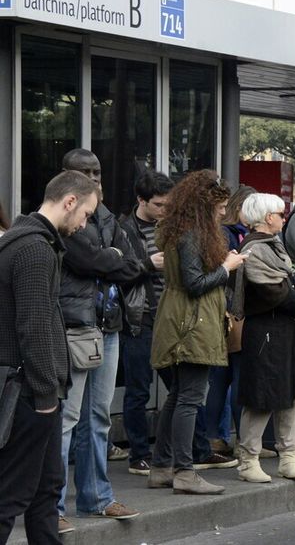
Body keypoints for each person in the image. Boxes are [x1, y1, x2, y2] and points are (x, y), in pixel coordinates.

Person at [0, 170, 98, 543]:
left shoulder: (26, 241)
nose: (84, 223)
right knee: (13, 495)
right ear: (69, 202)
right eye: (86, 214)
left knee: (45, 493)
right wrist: (45, 396)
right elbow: (35, 325)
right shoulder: (34, 249)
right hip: (29, 393)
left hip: (33, 391)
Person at [56, 149, 144, 527]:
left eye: (97, 172)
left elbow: (135, 262)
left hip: (107, 326)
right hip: (75, 326)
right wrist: (110, 257)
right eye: (85, 172)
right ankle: (52, 506)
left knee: (98, 418)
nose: (94, 178)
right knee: (66, 418)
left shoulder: (106, 216)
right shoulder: (63, 219)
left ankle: (96, 498)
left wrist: (108, 256)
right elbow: (86, 260)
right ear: (66, 178)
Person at [149, 170, 247, 495]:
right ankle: (184, 472)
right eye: (219, 206)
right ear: (205, 204)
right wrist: (226, 268)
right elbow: (195, 284)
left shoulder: (180, 229)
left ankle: (162, 466)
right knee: (189, 398)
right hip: (193, 323)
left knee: (177, 396)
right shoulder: (192, 233)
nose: (223, 212)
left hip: (179, 319)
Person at [233, 193, 295, 484]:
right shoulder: (254, 248)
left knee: (291, 393)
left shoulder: (270, 244)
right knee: (261, 397)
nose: (283, 217)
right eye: (279, 213)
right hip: (265, 329)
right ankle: (248, 459)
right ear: (267, 218)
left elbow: (283, 285)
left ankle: (289, 456)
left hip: (282, 329)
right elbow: (273, 291)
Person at [118, 171, 176, 477]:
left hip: (168, 316)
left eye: (168, 204)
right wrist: (147, 265)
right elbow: (118, 271)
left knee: (177, 388)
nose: (163, 210)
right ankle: (138, 453)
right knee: (138, 389)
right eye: (158, 204)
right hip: (139, 317)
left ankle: (177, 451)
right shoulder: (124, 229)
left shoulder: (170, 227)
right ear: (141, 201)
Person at [207, 183, 256, 458]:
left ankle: (218, 436)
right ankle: (223, 436)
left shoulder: (233, 233)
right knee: (229, 378)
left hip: (227, 313)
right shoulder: (229, 235)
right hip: (229, 313)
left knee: (222, 379)